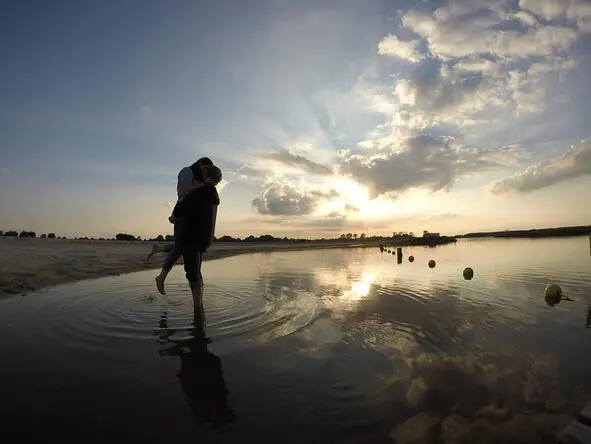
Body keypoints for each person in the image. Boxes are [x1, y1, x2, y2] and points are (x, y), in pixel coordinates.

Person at [150, 157, 214, 295]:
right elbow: (185, 190)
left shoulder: (200, 178)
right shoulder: (187, 171)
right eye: (205, 169)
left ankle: (198, 284)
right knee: (179, 247)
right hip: (183, 215)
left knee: (193, 252)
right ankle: (160, 278)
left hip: (193, 217)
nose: (205, 172)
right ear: (200, 164)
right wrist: (203, 185)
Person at [177, 165, 221, 299]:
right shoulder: (214, 194)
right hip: (206, 238)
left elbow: (181, 209)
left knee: (192, 273)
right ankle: (199, 306)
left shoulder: (199, 193)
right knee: (197, 271)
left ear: (205, 175)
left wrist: (174, 215)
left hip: (192, 238)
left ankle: (198, 309)